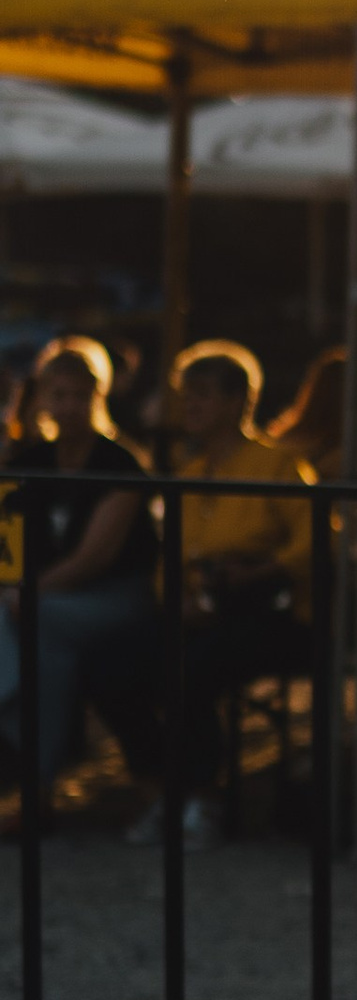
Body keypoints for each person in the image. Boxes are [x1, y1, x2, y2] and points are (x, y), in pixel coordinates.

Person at [122, 345, 313, 847]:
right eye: (187, 397)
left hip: (266, 612)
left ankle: (199, 797)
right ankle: (164, 786)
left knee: (193, 667)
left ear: (235, 402)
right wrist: (176, 600)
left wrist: (262, 571)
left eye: (202, 397)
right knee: (115, 661)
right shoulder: (189, 475)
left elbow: (316, 538)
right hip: (198, 608)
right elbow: (170, 560)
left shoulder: (277, 464)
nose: (190, 408)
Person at [0, 338, 157, 804]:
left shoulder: (120, 464)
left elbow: (97, 558)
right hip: (45, 597)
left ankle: (35, 781)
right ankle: (31, 773)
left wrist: (26, 592)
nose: (68, 406)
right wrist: (16, 588)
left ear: (98, 397)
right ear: (43, 397)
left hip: (117, 595)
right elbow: (5, 548)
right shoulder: (29, 464)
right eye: (58, 394)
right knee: (37, 628)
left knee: (41, 624)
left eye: (78, 395)